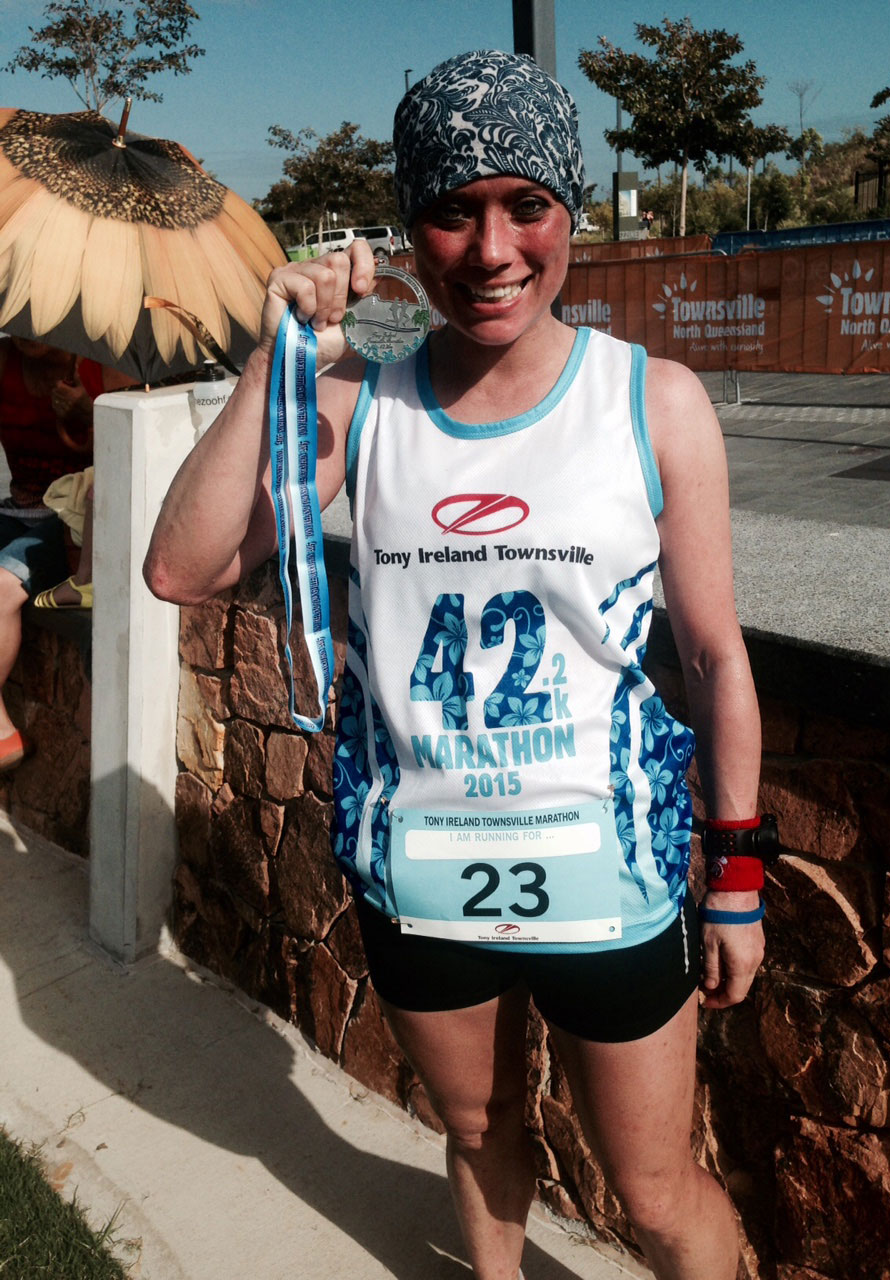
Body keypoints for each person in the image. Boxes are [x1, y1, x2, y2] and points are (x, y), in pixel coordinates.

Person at [144, 51, 766, 1280]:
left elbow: (711, 650)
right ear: (407, 230)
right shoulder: (359, 403)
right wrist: (275, 361)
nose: (491, 249)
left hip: (607, 877)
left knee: (653, 1192)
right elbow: (181, 566)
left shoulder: (654, 403)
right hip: (422, 876)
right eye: (452, 210)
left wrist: (738, 872)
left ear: (569, 210)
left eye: (525, 204)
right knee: (480, 1130)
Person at [0, 336, 130, 768]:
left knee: (2, 588)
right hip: (17, 508)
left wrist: (89, 413)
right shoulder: (4, 363)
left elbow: (130, 454)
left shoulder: (98, 365)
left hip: (69, 525)